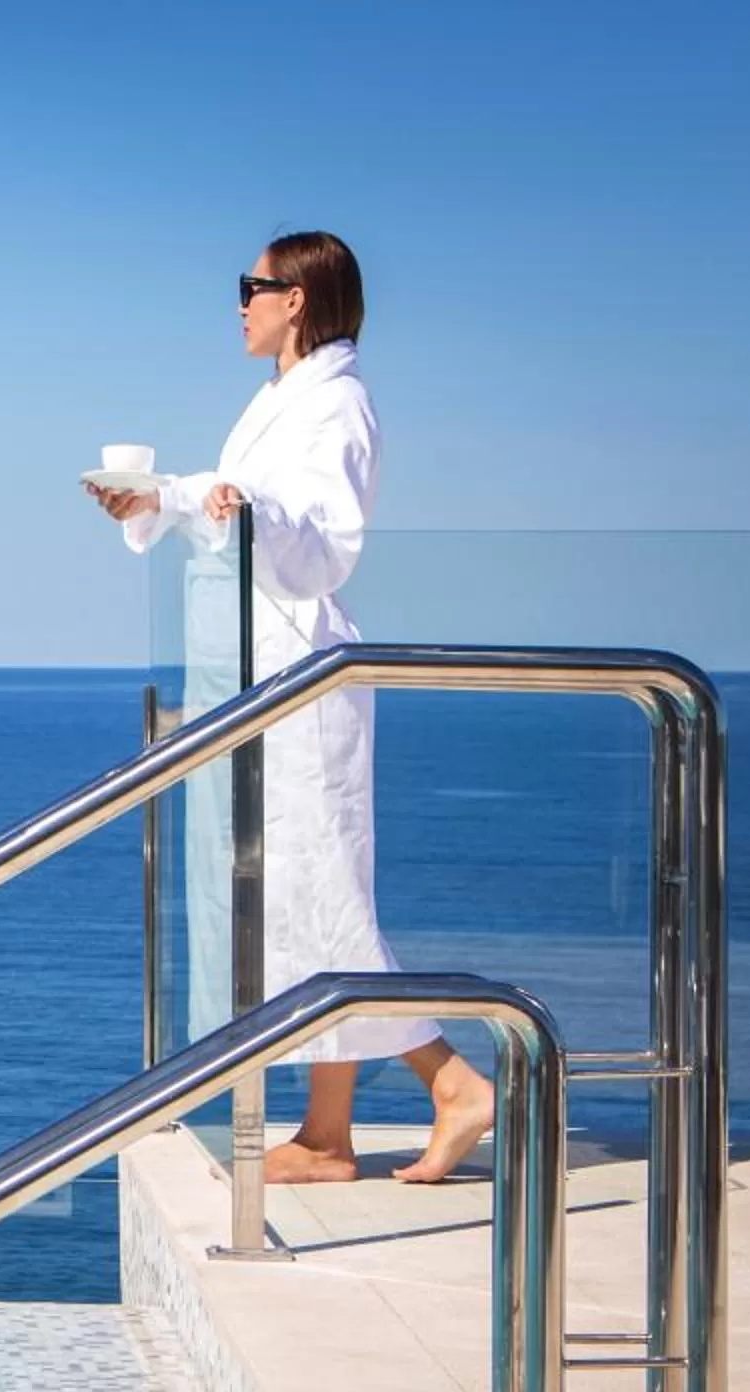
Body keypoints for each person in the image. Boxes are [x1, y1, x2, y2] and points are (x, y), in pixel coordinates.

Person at [87, 231, 493, 1184]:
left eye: (252, 287)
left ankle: (452, 1080)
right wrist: (159, 503)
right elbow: (249, 511)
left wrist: (214, 498)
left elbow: (321, 543)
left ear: (297, 299)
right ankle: (327, 1134)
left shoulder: (338, 404)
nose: (240, 303)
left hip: (301, 676)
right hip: (255, 673)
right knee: (300, 901)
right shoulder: (280, 399)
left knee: (324, 898)